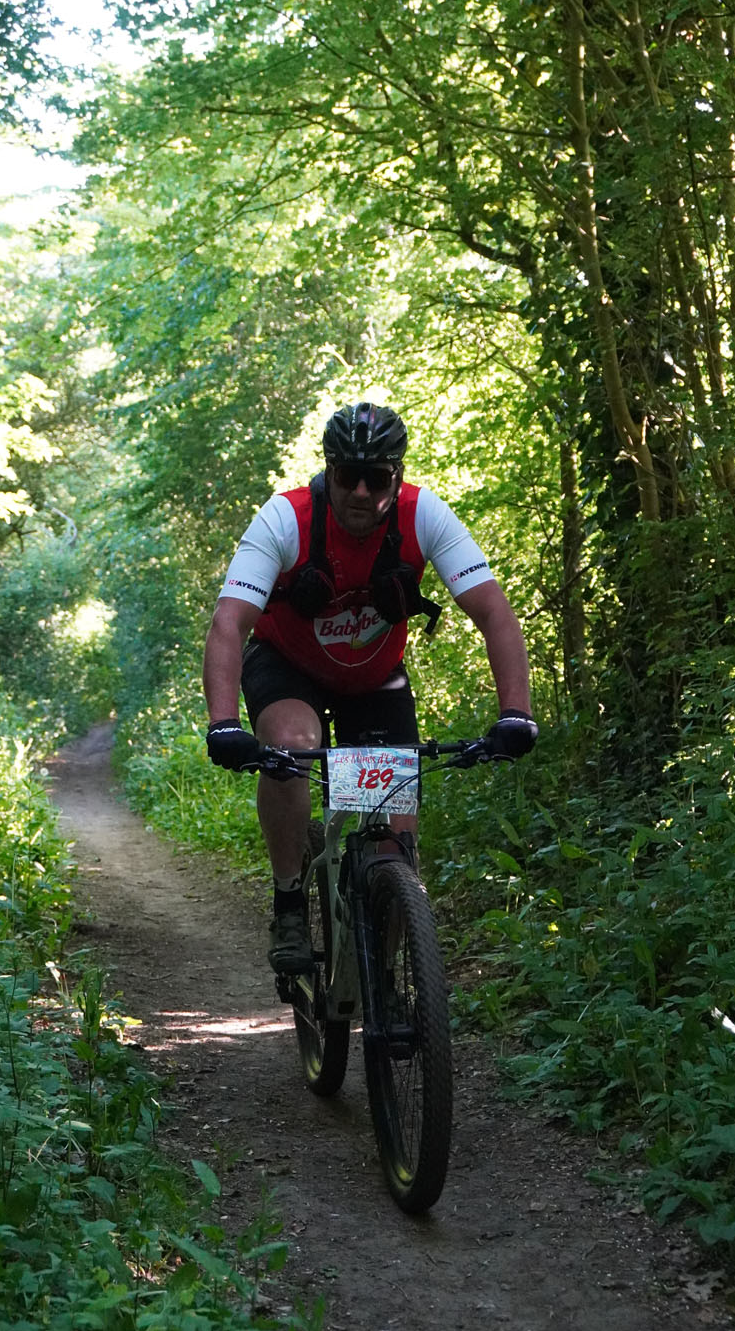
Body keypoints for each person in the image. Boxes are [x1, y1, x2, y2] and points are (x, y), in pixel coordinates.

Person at [202, 401, 537, 974]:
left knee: (395, 846)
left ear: (396, 477)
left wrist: (516, 713)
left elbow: (496, 616)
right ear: (328, 471)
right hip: (287, 664)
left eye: (376, 478)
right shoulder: (287, 518)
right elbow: (229, 623)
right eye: (347, 475)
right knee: (291, 745)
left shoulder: (423, 515)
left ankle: (388, 975)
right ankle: (289, 901)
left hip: (376, 677)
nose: (360, 491)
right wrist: (224, 724)